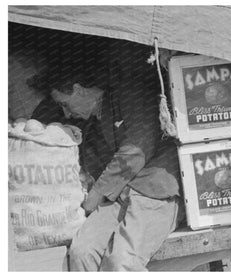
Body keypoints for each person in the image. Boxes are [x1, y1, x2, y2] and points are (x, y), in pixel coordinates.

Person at [41, 63, 183, 271]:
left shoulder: (129, 94)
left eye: (65, 104)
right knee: (81, 252)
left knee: (120, 261)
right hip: (117, 198)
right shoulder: (91, 123)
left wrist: (95, 195)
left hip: (154, 193)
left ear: (79, 89)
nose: (67, 113)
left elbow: (136, 151)